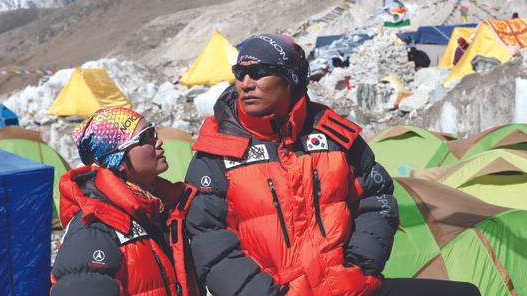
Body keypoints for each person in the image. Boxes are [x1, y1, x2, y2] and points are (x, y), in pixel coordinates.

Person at [185, 34, 480, 296]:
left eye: (260, 72)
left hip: (348, 287)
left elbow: (377, 197)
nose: (246, 83)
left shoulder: (333, 135)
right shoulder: (216, 151)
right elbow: (208, 241)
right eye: (240, 73)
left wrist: (360, 267)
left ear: (291, 78)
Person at [51, 107, 199, 296]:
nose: (159, 141)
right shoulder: (93, 227)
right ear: (117, 160)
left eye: (153, 132)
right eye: (145, 138)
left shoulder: (157, 208)